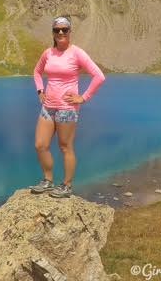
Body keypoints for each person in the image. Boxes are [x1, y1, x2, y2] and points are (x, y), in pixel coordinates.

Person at [29, 15, 105, 198]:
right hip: (48, 106)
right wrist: (40, 91)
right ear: (53, 33)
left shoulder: (77, 53)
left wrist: (83, 97)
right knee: (40, 145)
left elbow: (99, 76)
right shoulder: (48, 53)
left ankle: (66, 185)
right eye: (57, 30)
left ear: (70, 31)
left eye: (64, 29)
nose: (61, 32)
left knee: (65, 147)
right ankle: (48, 181)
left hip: (67, 109)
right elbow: (37, 72)